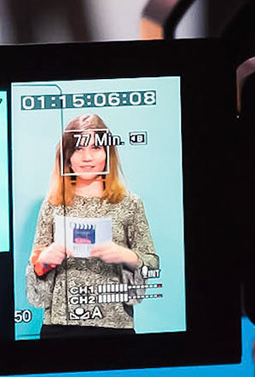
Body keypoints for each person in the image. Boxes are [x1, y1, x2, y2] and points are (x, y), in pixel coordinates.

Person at [26, 113, 158, 336]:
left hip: (115, 326)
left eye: (96, 148)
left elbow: (151, 264)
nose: (87, 157)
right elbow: (36, 288)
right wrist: (45, 261)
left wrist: (126, 256)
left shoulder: (130, 203)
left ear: (108, 153)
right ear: (67, 156)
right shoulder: (53, 204)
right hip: (59, 327)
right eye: (78, 149)